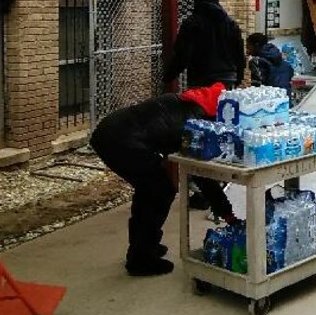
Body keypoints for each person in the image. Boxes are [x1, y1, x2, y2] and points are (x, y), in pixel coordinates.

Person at [90, 83, 237, 277]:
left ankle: (146, 246)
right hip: (120, 141)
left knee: (150, 191)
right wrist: (225, 212)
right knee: (158, 192)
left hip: (115, 132)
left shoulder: (188, 102)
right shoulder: (193, 125)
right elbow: (202, 176)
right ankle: (140, 259)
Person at [163, 0, 245, 90]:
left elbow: (182, 55)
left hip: (200, 81)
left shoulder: (192, 23)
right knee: (223, 106)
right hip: (226, 80)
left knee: (200, 107)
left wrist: (168, 77)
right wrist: (239, 77)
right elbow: (239, 53)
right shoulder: (230, 24)